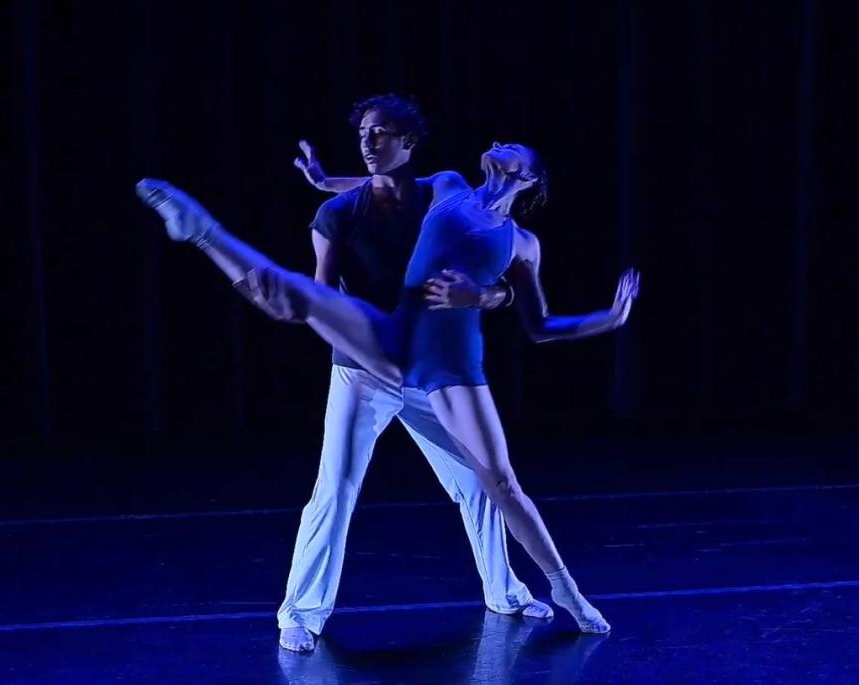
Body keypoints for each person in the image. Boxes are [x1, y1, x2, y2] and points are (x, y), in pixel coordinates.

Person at [135, 134, 639, 636]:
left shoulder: (522, 243)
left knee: (492, 484)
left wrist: (603, 319)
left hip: (448, 369)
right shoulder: (448, 186)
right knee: (294, 306)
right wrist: (326, 182)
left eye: (512, 146)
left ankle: (540, 590)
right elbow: (382, 185)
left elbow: (538, 324)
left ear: (527, 176)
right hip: (383, 350)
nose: (496, 141)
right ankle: (201, 231)